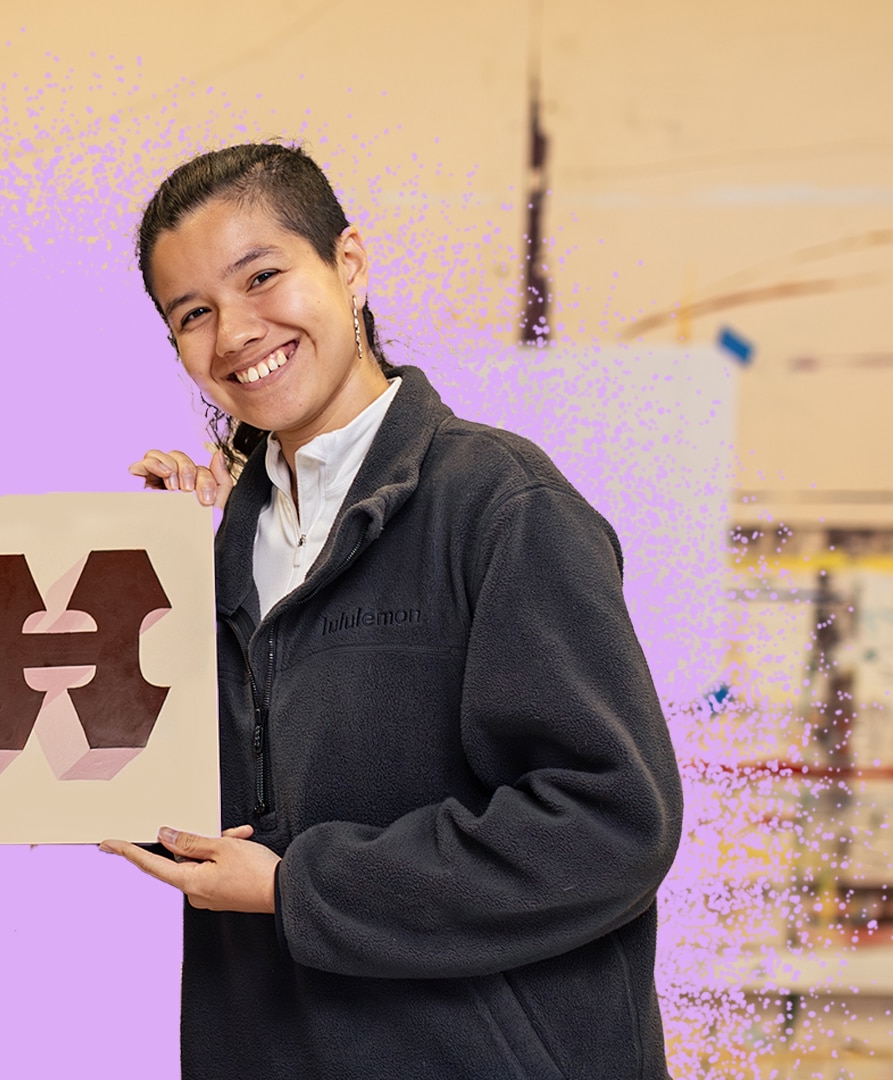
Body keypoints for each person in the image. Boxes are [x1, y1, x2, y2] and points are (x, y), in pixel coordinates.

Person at [98, 143, 684, 1079]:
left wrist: (303, 888)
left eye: (263, 277)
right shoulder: (212, 547)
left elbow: (611, 821)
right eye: (194, 313)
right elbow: (174, 810)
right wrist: (149, 591)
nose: (237, 332)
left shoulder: (499, 506)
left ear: (351, 265)